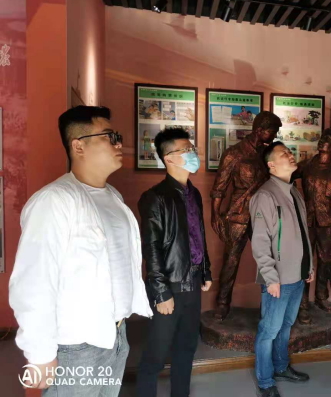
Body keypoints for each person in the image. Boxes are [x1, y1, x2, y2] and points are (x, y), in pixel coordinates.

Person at [9, 106, 152, 395]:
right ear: (78, 146)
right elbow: (34, 282)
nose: (118, 143)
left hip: (116, 335)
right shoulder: (54, 201)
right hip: (76, 347)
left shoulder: (113, 197)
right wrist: (39, 353)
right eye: (110, 136)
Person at [136, 128, 213, 397]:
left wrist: (206, 270)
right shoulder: (155, 197)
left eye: (193, 149)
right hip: (169, 286)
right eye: (186, 150)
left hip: (193, 282)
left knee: (186, 348)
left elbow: (198, 235)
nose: (193, 154)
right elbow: (151, 248)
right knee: (155, 356)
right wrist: (160, 292)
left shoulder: (194, 193)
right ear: (168, 158)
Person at [250, 142, 314, 397]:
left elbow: (303, 233)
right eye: (283, 154)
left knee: (286, 325)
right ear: (271, 165)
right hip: (277, 278)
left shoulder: (294, 192)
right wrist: (270, 278)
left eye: (290, 151)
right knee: (269, 331)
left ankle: (281, 367)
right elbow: (260, 242)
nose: (290, 155)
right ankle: (265, 382)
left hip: (297, 275)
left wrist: (309, 266)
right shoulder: (265, 196)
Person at [210, 111, 282, 320]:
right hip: (239, 214)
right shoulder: (234, 153)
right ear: (260, 130)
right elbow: (219, 188)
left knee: (270, 260)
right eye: (272, 131)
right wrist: (216, 214)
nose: (274, 135)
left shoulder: (268, 154)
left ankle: (270, 305)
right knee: (231, 260)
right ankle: (222, 303)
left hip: (264, 213)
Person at [292, 129, 331, 324]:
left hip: (328, 222)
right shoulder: (306, 166)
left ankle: (321, 296)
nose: (322, 141)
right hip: (307, 220)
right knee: (304, 261)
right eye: (322, 138)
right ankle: (302, 304)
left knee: (325, 260)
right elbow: (287, 177)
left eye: (327, 139)